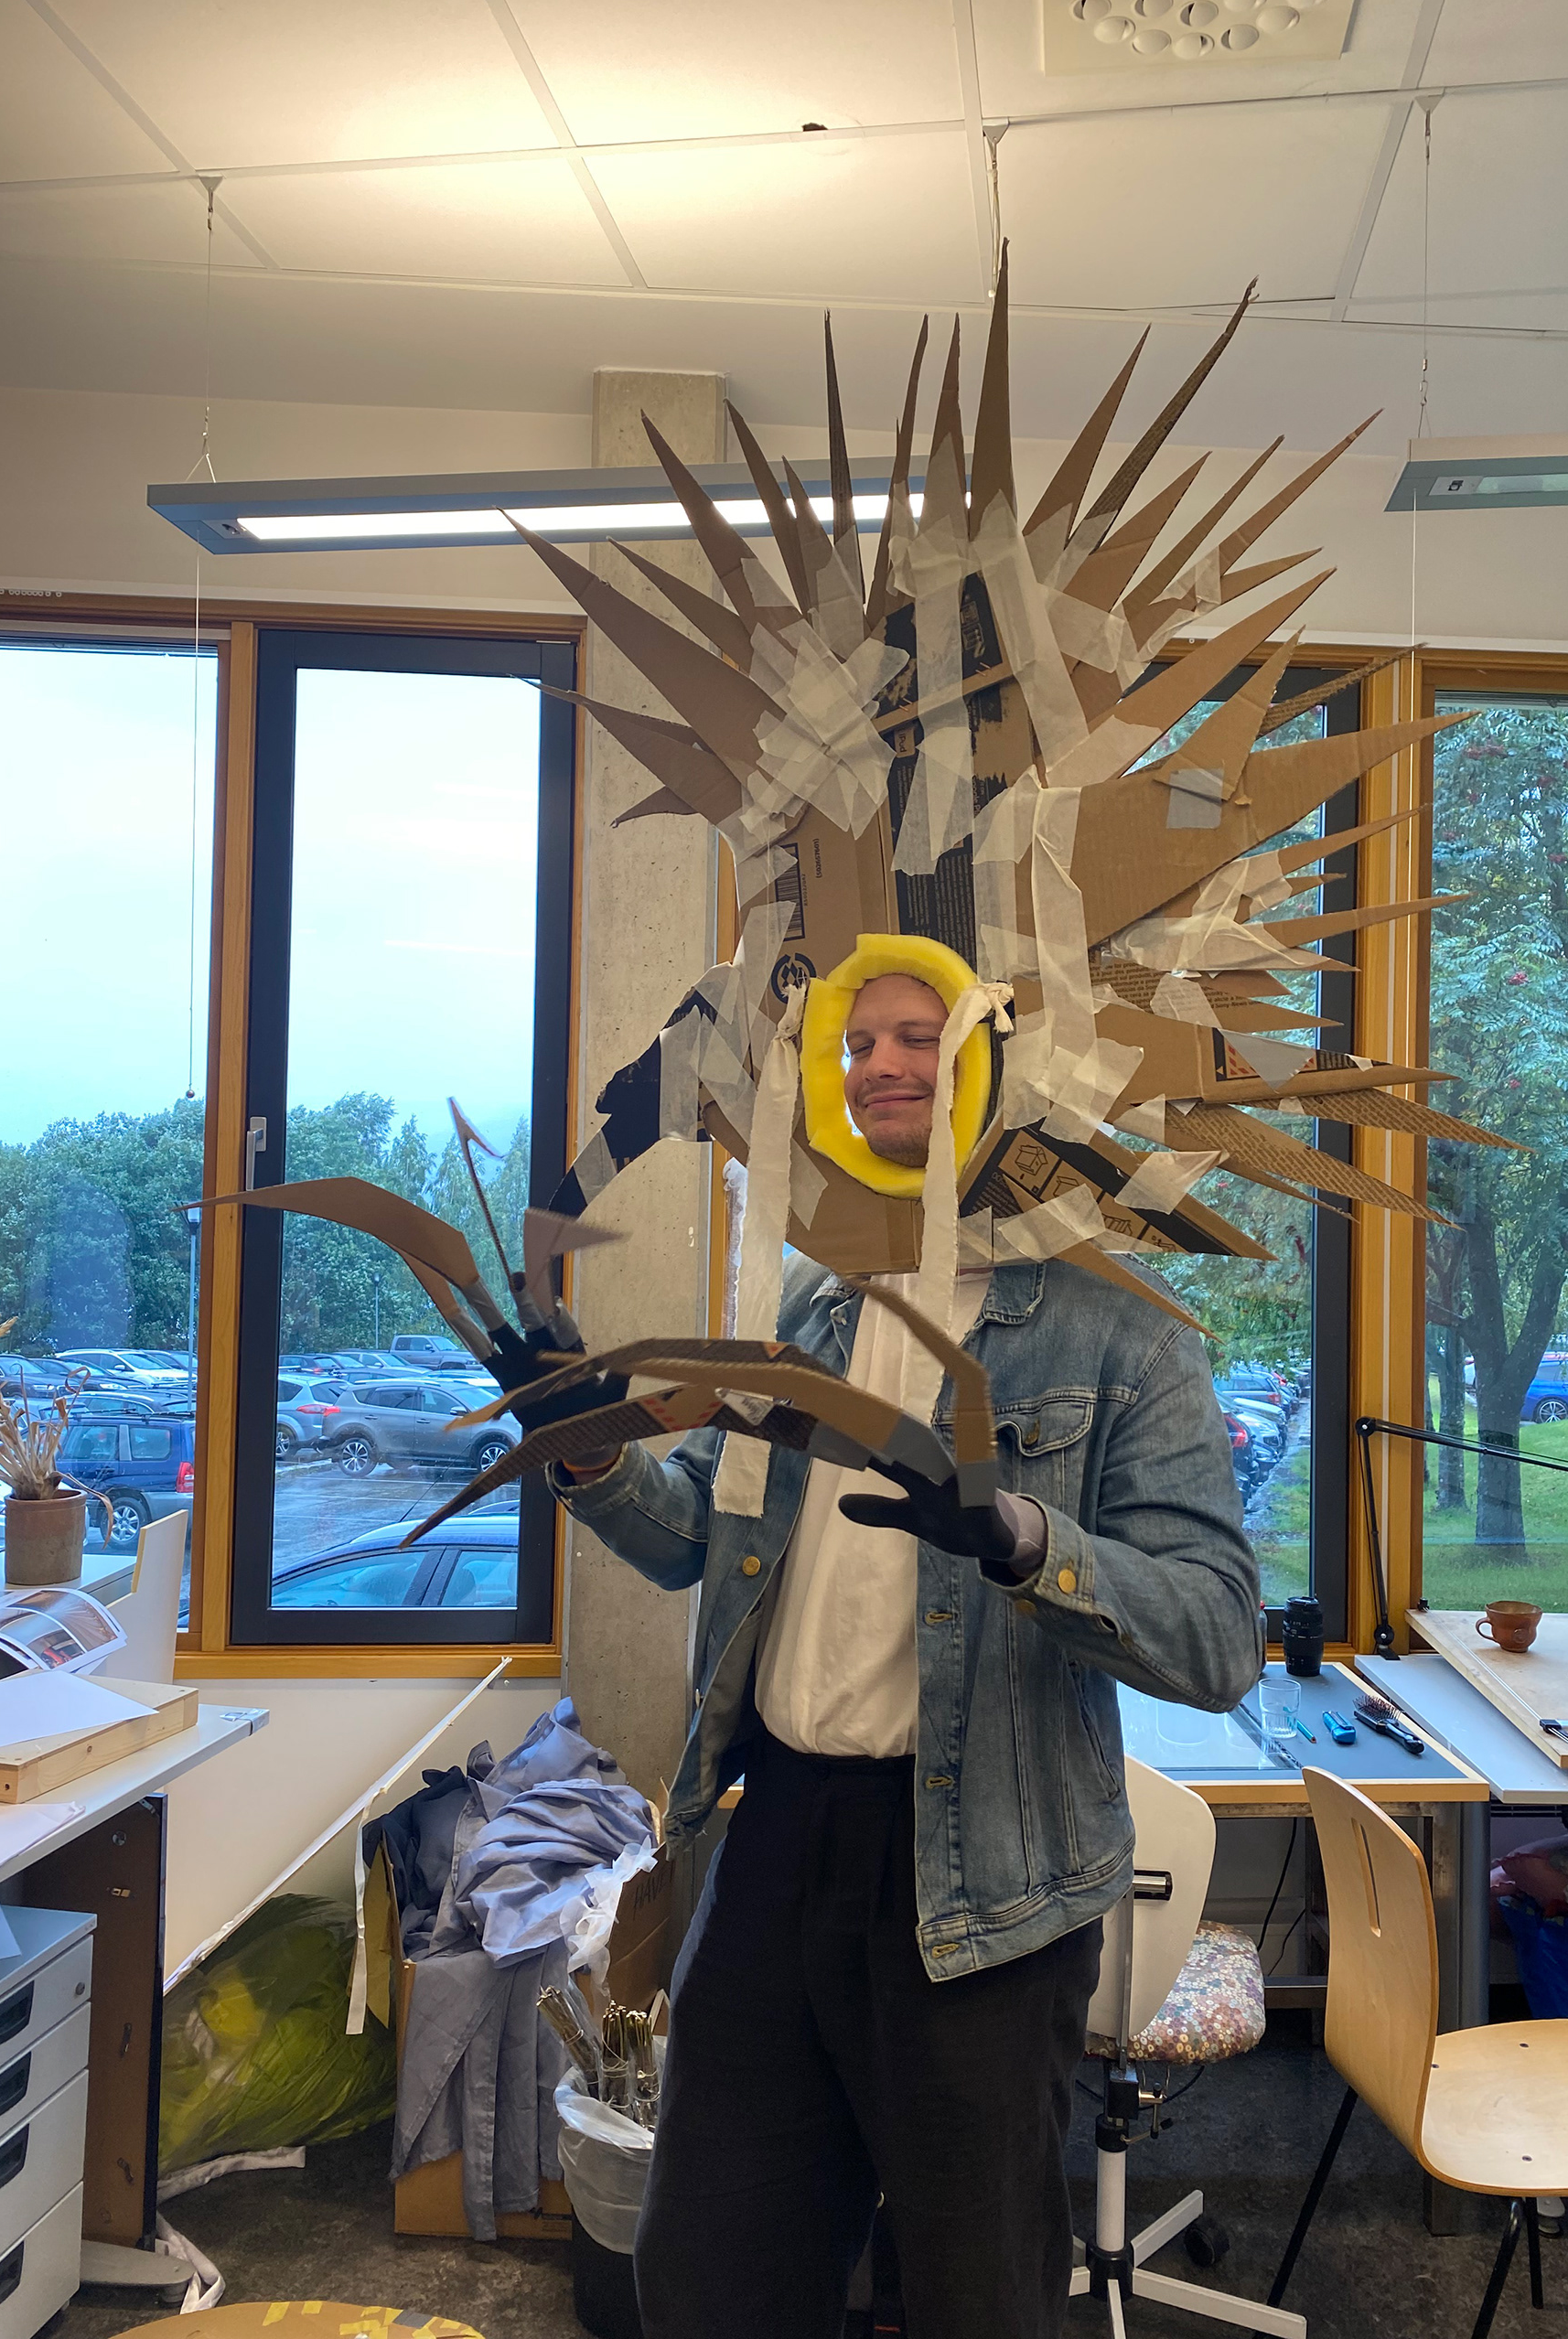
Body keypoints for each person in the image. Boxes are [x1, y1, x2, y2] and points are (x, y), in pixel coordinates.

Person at [553, 967, 1262, 2339]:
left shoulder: (1121, 1340)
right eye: (859, 1040)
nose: (881, 1064)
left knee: (974, 2298)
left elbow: (1219, 1633)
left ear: (1003, 1067)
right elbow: (697, 1534)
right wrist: (584, 1445)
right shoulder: (806, 1313)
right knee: (710, 2279)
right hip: (776, 1840)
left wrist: (1022, 1539)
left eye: (920, 1037)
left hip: (985, 1880)